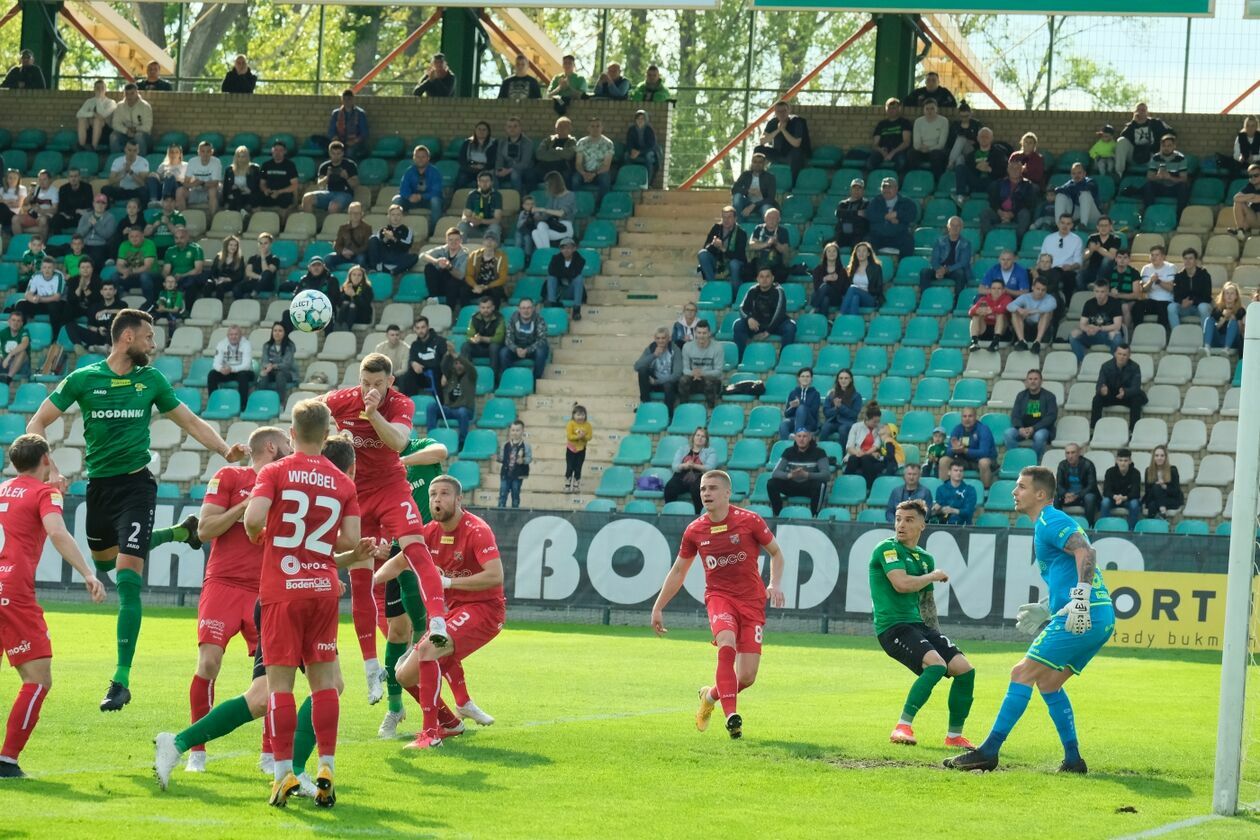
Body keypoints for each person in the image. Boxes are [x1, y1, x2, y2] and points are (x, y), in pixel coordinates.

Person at [26, 308, 243, 711]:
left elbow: (190, 421)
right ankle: (180, 533)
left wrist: (223, 449)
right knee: (104, 565)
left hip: (137, 487)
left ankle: (121, 678)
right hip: (100, 489)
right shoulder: (84, 379)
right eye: (148, 338)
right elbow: (37, 422)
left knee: (127, 576)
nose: (153, 345)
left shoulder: (151, 381)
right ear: (127, 338)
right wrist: (51, 467)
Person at [154, 435, 372, 795]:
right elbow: (280, 536)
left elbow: (310, 549)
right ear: (346, 467)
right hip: (280, 598)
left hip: (296, 596)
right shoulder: (301, 481)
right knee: (274, 692)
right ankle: (184, 746)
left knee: (301, 690)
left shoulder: (295, 482)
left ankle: (290, 769)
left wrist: (333, 568)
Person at [947, 466, 1113, 774]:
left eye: (1021, 487)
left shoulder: (1051, 520)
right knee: (1048, 683)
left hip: (1085, 613)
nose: (1014, 492)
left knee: (1021, 673)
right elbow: (1070, 566)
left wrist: (1080, 599)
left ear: (1040, 494)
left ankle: (989, 751)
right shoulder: (1046, 525)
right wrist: (1050, 606)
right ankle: (1073, 759)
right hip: (1099, 616)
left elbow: (1086, 553)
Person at [241, 400, 364, 807]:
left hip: (282, 588)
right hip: (324, 588)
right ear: (326, 435)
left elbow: (253, 518)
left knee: (280, 688)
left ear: (291, 435)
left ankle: (282, 774)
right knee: (324, 683)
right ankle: (327, 765)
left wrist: (263, 536)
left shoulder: (275, 471)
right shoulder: (343, 482)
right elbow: (349, 539)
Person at [319, 354, 450, 704]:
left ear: (390, 382)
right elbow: (309, 414)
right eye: (365, 383)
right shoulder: (341, 399)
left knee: (415, 548)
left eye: (377, 384)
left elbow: (399, 443)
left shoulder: (401, 404)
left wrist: (373, 412)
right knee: (360, 580)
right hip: (357, 495)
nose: (370, 389)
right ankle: (371, 669)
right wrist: (330, 430)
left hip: (391, 488)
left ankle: (437, 622)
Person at [178, 426, 291, 773]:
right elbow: (204, 530)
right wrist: (246, 505)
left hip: (266, 589)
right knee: (208, 663)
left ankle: (269, 755)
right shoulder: (229, 476)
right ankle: (197, 750)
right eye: (286, 445)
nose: (291, 450)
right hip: (223, 584)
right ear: (271, 447)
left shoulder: (288, 485)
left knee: (273, 676)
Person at [0, 434, 106, 778]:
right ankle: (7, 760)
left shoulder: (4, 489)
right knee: (38, 678)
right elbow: (58, 533)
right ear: (46, 459)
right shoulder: (46, 493)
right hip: (12, 590)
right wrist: (88, 573)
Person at [376, 474, 505, 750]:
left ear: (459, 499)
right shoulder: (428, 532)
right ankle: (450, 722)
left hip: (485, 610)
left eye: (444, 494)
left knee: (429, 649)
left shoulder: (477, 529)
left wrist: (448, 582)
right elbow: (398, 564)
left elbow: (495, 576)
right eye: (433, 494)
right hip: (454, 612)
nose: (437, 499)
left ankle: (430, 734)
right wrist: (369, 583)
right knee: (404, 676)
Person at [874, 498, 976, 749]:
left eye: (909, 520)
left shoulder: (924, 558)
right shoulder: (887, 550)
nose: (901, 525)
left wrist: (935, 638)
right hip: (892, 628)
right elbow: (902, 584)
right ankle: (902, 726)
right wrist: (931, 576)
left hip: (918, 625)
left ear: (922, 525)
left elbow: (927, 603)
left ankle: (954, 736)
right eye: (898, 519)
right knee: (936, 664)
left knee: (964, 669)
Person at [732, 268, 795, 360]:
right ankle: (741, 359)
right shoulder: (752, 290)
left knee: (790, 327)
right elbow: (742, 308)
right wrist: (749, 318)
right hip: (757, 325)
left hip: (776, 325)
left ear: (772, 278)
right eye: (761, 277)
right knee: (738, 324)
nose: (764, 279)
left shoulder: (778, 291)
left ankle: (783, 359)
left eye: (767, 276)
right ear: (757, 279)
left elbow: (779, 314)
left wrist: (768, 332)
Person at [767, 427, 830, 516]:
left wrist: (807, 475)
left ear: (810, 438)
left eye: (804, 436)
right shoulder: (788, 451)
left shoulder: (819, 452)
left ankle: (815, 515)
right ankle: (778, 514)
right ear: (795, 438)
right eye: (799, 436)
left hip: (809, 486)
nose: (801, 439)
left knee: (821, 484)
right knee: (771, 483)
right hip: (792, 485)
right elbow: (775, 473)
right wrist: (790, 475)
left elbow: (826, 475)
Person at [1003, 369, 1058, 460]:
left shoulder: (1049, 396)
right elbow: (1015, 415)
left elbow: (1051, 416)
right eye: (1030, 379)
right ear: (1026, 381)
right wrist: (1020, 428)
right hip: (1023, 428)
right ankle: (1016, 459)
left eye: (1035, 379)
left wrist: (1034, 428)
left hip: (1040, 429)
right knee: (1008, 433)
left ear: (1041, 381)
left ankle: (1032, 460)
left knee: (1040, 436)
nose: (1033, 381)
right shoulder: (1021, 395)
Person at [980, 158, 1036, 246]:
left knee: (1025, 214)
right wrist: (1000, 212)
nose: (1014, 170)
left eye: (1017, 168)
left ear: (1022, 169)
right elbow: (992, 200)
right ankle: (990, 241)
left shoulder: (1028, 185)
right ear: (1007, 170)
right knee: (985, 213)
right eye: (1012, 168)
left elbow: (1028, 203)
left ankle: (1017, 243)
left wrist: (1012, 213)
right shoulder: (998, 183)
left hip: (1017, 214)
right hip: (999, 213)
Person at [1089, 343, 1146, 430]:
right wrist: (1102, 390)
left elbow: (1136, 387)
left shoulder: (1135, 367)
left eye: (1124, 355)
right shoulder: (1106, 366)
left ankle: (1133, 430)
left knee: (1137, 399)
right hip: (1111, 394)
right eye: (1119, 354)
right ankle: (1093, 429)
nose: (1121, 357)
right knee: (1097, 399)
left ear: (1129, 355)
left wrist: (1126, 392)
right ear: (1115, 354)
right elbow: (1100, 384)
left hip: (1127, 396)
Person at [1068, 279, 1124, 364]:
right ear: (1094, 291)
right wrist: (1087, 329)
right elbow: (1082, 324)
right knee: (1074, 334)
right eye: (1097, 291)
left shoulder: (1115, 303)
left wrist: (1099, 328)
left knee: (1116, 336)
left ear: (1107, 291)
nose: (1099, 295)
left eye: (1102, 292)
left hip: (1107, 334)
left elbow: (1117, 325)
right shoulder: (1089, 303)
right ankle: (1081, 363)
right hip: (1092, 333)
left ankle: (1114, 364)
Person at [428, 349, 476, 446]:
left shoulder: (471, 375)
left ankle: (462, 442)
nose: (458, 366)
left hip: (465, 410)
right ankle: (431, 438)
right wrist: (448, 353)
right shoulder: (451, 375)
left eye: (460, 363)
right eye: (456, 363)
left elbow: (470, 366)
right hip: (449, 409)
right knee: (431, 407)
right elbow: (444, 365)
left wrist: (456, 355)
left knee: (462, 412)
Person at [753, 101, 811, 181]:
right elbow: (762, 141)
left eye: (784, 111)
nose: (781, 114)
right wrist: (778, 130)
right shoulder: (773, 122)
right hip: (779, 153)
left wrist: (783, 130)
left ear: (789, 111)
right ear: (775, 112)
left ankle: (793, 183)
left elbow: (796, 143)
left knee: (796, 152)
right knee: (758, 149)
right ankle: (756, 178)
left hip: (794, 155)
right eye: (778, 112)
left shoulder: (797, 121)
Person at [939, 406, 996, 488]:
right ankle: (945, 489)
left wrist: (965, 450)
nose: (967, 419)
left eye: (970, 416)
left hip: (983, 460)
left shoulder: (983, 429)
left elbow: (984, 452)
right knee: (944, 460)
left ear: (975, 417)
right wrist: (954, 450)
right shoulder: (957, 429)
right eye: (964, 416)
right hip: (964, 461)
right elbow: (948, 451)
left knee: (984, 462)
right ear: (961, 418)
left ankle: (985, 491)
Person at [918, 216, 973, 301]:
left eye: (957, 225)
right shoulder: (940, 241)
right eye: (952, 225)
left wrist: (946, 270)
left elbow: (963, 262)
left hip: (954, 270)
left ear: (961, 228)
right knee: (924, 272)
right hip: (940, 269)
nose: (955, 228)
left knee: (961, 274)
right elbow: (934, 259)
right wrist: (938, 269)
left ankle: (957, 301)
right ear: (948, 227)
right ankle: (925, 299)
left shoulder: (965, 243)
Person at [665, 428, 717, 514]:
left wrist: (694, 465)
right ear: (693, 437)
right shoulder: (682, 449)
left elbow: (710, 467)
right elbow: (674, 466)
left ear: (706, 440)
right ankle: (670, 513)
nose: (700, 438)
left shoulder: (711, 451)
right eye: (698, 435)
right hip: (682, 475)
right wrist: (684, 465)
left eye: (703, 436)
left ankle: (698, 515)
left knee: (697, 490)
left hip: (700, 475)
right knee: (670, 487)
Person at [394, 145, 443, 236]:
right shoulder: (409, 172)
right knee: (396, 200)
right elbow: (403, 189)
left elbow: (436, 191)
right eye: (418, 157)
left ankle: (433, 231)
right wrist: (409, 196)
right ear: (414, 158)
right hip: (411, 200)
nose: (420, 159)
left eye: (423, 157)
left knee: (436, 201)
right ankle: (395, 228)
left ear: (428, 158)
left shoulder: (435, 172)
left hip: (428, 201)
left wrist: (421, 196)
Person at [302, 141, 359, 214]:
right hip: (328, 192)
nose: (336, 156)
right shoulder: (324, 166)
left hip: (345, 193)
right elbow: (320, 185)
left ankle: (331, 225)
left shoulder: (350, 165)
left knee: (333, 206)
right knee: (307, 198)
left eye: (338, 154)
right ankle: (308, 224)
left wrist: (346, 177)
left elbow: (356, 184)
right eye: (333, 153)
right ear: (329, 153)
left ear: (343, 153)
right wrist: (327, 177)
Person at [698, 205, 748, 289]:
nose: (726, 220)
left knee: (734, 264)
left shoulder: (741, 233)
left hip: (734, 262)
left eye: (729, 217)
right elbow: (706, 247)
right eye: (724, 217)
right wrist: (713, 245)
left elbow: (740, 256)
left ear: (735, 218)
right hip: (718, 261)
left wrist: (722, 248)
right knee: (702, 254)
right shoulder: (716, 228)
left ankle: (734, 293)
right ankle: (712, 285)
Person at [676, 320, 723, 409]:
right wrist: (694, 373)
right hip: (693, 378)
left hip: (711, 381)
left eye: (704, 333)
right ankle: (683, 409)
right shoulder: (687, 347)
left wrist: (702, 373)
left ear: (709, 333)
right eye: (699, 333)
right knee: (683, 380)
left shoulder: (718, 347)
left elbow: (718, 371)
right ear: (695, 333)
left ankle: (711, 411)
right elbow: (685, 369)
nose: (701, 336)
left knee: (709, 382)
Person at [500, 297, 549, 381]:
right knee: (503, 352)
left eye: (529, 308)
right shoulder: (513, 319)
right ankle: (510, 379)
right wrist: (516, 349)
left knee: (541, 351)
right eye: (523, 308)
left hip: (533, 349)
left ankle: (535, 381)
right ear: (519, 309)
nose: (526, 311)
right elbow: (508, 339)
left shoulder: (539, 319)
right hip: (517, 348)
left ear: (533, 308)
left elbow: (542, 339)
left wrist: (527, 350)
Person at [865, 176, 915, 257]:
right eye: (884, 187)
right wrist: (886, 216)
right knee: (867, 242)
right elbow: (870, 215)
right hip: (878, 236)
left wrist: (897, 215)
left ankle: (902, 266)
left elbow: (911, 215)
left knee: (908, 241)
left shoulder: (906, 202)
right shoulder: (875, 201)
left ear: (896, 188)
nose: (887, 190)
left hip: (899, 235)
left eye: (890, 187)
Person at [421, 227, 470, 310]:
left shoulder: (465, 255)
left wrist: (449, 267)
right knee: (429, 267)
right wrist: (436, 261)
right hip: (441, 284)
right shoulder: (443, 249)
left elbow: (461, 276)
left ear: (461, 241)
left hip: (455, 286)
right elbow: (422, 255)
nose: (453, 242)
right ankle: (433, 298)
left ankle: (449, 310)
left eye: (456, 240)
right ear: (446, 240)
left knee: (453, 280)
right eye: (450, 240)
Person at [844, 402, 889, 491]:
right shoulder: (856, 427)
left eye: (878, 421)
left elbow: (877, 445)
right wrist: (857, 452)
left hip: (871, 455)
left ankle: (868, 488)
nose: (877, 424)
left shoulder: (880, 428)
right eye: (874, 421)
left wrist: (865, 453)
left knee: (866, 459)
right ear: (867, 419)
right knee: (853, 459)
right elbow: (849, 446)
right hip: (857, 453)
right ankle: (847, 486)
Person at [634, 326, 681, 409]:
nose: (661, 341)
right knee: (642, 370)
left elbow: (677, 374)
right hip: (654, 382)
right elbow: (637, 366)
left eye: (663, 338)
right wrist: (654, 355)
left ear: (669, 338)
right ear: (654, 339)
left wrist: (657, 381)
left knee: (668, 385)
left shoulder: (675, 349)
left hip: (669, 383)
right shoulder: (651, 348)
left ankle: (669, 414)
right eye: (658, 338)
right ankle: (645, 404)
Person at [1141, 134, 1189, 213]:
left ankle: (1180, 215)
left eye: (1169, 146)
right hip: (1160, 187)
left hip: (1174, 188)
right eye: (1164, 146)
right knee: (1148, 186)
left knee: (1183, 187)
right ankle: (1149, 213)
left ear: (1174, 146)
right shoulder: (1155, 158)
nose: (1166, 148)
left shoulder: (1181, 158)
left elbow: (1184, 179)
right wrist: (1158, 177)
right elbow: (1149, 177)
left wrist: (1169, 177)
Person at [1054, 443, 1100, 525]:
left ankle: (1089, 525)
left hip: (1082, 496)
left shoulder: (1088, 464)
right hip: (1068, 497)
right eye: (1067, 453)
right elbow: (1059, 485)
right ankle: (1059, 525)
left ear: (1079, 453)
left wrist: (1076, 496)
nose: (1070, 456)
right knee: (1054, 497)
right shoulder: (1062, 465)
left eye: (1073, 452)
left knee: (1089, 498)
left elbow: (1091, 486)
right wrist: (1065, 494)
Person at [531, 171, 577, 252]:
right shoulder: (553, 197)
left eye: (548, 185)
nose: (546, 187)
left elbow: (561, 213)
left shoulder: (570, 195)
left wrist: (543, 209)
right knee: (536, 231)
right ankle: (547, 252)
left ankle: (545, 254)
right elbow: (546, 216)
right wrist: (537, 215)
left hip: (565, 227)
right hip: (553, 226)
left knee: (539, 231)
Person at [207, 324, 254, 403]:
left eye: (236, 334)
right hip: (227, 371)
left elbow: (246, 365)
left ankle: (243, 406)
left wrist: (232, 369)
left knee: (243, 375)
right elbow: (216, 363)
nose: (233, 337)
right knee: (212, 374)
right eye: (231, 334)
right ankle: (213, 403)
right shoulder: (221, 344)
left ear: (240, 335)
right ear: (227, 336)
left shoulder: (246, 344)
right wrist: (221, 369)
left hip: (243, 372)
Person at [1008, 278, 1058, 353]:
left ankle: (1037, 343)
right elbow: (1009, 306)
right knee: (1015, 312)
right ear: (1032, 287)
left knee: (1047, 312)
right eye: (1038, 289)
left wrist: (1032, 312)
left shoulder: (1050, 298)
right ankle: (1022, 341)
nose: (1040, 292)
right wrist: (1019, 309)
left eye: (1043, 290)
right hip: (1027, 329)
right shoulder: (1025, 297)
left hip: (1043, 331)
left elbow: (1053, 305)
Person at [1039, 214, 1084, 297]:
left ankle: (1066, 304)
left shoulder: (1077, 240)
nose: (1064, 226)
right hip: (1049, 269)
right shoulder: (1049, 238)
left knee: (1069, 276)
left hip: (1066, 271)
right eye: (1062, 223)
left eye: (1068, 224)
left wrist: (1071, 267)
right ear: (1058, 223)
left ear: (1072, 225)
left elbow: (1078, 262)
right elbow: (1041, 258)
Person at [14, 257, 65, 328]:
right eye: (44, 267)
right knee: (20, 304)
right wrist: (34, 299)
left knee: (53, 306)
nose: (47, 270)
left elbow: (57, 297)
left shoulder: (59, 276)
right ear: (41, 268)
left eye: (49, 267)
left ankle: (55, 334)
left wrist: (40, 299)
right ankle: (21, 329)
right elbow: (27, 294)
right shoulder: (36, 275)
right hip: (40, 303)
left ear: (54, 268)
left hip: (55, 304)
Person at [1135, 245, 1176, 333]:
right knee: (1138, 306)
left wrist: (1158, 281)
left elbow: (1171, 288)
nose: (1154, 257)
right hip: (1151, 300)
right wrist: (1150, 281)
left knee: (1163, 309)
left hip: (1166, 301)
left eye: (1157, 255)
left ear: (1163, 256)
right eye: (1152, 255)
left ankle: (1161, 336)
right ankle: (1138, 332)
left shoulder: (1171, 267)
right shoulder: (1146, 268)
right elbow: (1144, 290)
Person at [368, 204, 418, 276]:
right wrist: (385, 239)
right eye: (393, 215)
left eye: (398, 215)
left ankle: (393, 272)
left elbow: (406, 246)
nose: (395, 217)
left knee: (414, 257)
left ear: (402, 216)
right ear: (388, 216)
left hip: (398, 256)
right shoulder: (383, 230)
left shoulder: (407, 230)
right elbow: (376, 247)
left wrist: (393, 238)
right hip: (385, 256)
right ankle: (374, 268)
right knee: (373, 238)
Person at [115, 225, 159, 304]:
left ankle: (149, 304)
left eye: (137, 236)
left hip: (151, 275)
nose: (134, 239)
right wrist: (124, 271)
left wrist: (129, 272)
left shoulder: (149, 244)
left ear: (142, 236)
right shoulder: (124, 245)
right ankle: (119, 303)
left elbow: (147, 267)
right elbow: (119, 264)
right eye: (131, 236)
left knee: (144, 276)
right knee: (114, 276)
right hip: (131, 275)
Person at [572, 118, 615, 200]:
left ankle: (600, 206)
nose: (595, 128)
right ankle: (577, 204)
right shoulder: (581, 142)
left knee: (605, 180)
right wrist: (584, 173)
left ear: (602, 128)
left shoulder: (608, 143)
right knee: (575, 180)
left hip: (600, 173)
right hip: (584, 172)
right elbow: (578, 163)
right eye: (592, 126)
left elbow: (606, 166)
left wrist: (594, 174)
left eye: (598, 126)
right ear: (588, 128)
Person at [464, 230, 508, 309]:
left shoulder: (501, 257)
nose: (489, 242)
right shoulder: (474, 255)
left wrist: (487, 286)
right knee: (463, 289)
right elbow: (468, 275)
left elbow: (502, 279)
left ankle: (495, 314)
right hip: (478, 284)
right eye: (487, 239)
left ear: (497, 244)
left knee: (496, 291)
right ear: (483, 242)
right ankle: (465, 311)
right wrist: (475, 286)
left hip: (492, 285)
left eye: (493, 240)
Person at [1169, 248, 1212, 329]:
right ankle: (1176, 334)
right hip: (1184, 307)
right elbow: (1176, 296)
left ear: (1196, 260)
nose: (1187, 261)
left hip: (1199, 307)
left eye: (1190, 258)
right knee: (1171, 307)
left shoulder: (1204, 275)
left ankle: (1205, 337)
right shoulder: (1179, 276)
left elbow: (1207, 296)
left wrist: (1192, 301)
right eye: (1185, 258)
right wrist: (1182, 301)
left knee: (1203, 307)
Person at [402, 315, 445, 397]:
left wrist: (445, 374)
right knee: (407, 375)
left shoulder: (440, 341)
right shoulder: (415, 345)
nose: (420, 331)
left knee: (435, 372)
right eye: (417, 328)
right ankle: (408, 405)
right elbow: (412, 359)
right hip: (422, 376)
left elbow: (447, 359)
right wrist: (413, 363)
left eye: (423, 327)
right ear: (414, 329)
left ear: (428, 327)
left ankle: (439, 406)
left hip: (437, 374)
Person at [967, 278, 1014, 352]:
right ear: (990, 290)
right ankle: (974, 342)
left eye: (999, 288)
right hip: (985, 329)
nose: (996, 291)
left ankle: (995, 342)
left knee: (1000, 314)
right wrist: (977, 311)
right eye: (994, 288)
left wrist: (991, 310)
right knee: (976, 316)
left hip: (1002, 331)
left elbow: (1003, 309)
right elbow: (970, 312)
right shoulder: (985, 300)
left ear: (1003, 290)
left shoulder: (1007, 298)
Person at [545, 236, 586, 320]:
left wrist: (561, 273)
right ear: (560, 250)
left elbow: (575, 274)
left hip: (570, 290)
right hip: (558, 290)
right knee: (551, 277)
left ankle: (576, 310)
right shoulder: (555, 258)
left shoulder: (580, 260)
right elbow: (551, 271)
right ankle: (552, 304)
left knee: (579, 278)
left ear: (574, 249)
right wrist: (568, 273)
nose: (566, 250)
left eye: (569, 248)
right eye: (563, 248)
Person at [747, 207, 791, 283]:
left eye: (774, 218)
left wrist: (776, 243)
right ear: (765, 218)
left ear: (779, 220)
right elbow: (751, 245)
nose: (771, 220)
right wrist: (767, 244)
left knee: (783, 273)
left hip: (775, 262)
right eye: (769, 217)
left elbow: (785, 250)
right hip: (759, 260)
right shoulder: (759, 228)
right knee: (745, 271)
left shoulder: (783, 231)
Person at [1100, 448, 1142, 528]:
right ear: (1116, 461)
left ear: (1130, 461)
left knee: (1134, 504)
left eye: (1125, 461)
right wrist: (1115, 497)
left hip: (1128, 500)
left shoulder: (1136, 473)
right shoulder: (1110, 472)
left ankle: (1131, 531)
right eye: (1120, 460)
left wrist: (1124, 498)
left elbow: (1136, 493)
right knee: (1105, 502)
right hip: (1113, 499)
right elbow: (1106, 491)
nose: (1123, 463)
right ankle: (1104, 528)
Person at [162, 225, 207, 301]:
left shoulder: (196, 249)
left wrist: (182, 275)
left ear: (187, 238)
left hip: (190, 277)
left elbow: (198, 270)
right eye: (176, 238)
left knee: (191, 282)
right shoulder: (170, 250)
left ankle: (188, 310)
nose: (179, 240)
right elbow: (166, 270)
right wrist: (169, 279)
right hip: (175, 279)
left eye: (181, 237)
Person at [464, 295, 505, 377]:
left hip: (494, 349)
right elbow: (468, 336)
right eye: (483, 307)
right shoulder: (474, 318)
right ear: (479, 308)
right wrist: (474, 339)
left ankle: (493, 377)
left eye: (488, 307)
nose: (485, 310)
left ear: (493, 307)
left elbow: (499, 338)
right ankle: (467, 376)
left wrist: (482, 339)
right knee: (465, 346)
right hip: (478, 347)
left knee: (494, 346)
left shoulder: (500, 318)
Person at [325, 201, 371, 271]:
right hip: (344, 255)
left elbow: (366, 246)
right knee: (328, 259)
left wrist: (353, 252)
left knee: (361, 259)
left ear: (362, 214)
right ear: (349, 214)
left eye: (357, 213)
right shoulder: (343, 228)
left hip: (358, 255)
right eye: (353, 213)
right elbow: (337, 245)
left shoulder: (367, 228)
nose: (355, 215)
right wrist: (342, 251)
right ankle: (335, 277)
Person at [868, 98, 912, 172]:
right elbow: (874, 144)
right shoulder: (881, 124)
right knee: (870, 163)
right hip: (883, 151)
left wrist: (892, 153)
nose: (891, 110)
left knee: (902, 163)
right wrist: (882, 152)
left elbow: (906, 142)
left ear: (899, 109)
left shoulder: (905, 123)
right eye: (889, 108)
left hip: (898, 151)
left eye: (894, 108)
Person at [103, 139, 150, 207]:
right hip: (122, 190)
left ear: (138, 151)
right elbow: (111, 181)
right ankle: (106, 210)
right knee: (105, 189)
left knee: (144, 191)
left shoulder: (143, 162)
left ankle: (143, 213)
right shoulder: (117, 161)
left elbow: (143, 183)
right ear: (125, 149)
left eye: (135, 150)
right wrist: (123, 172)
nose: (132, 153)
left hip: (136, 191)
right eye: (129, 150)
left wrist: (131, 172)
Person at [1204, 281, 1247, 356]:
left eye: (1232, 293)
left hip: (1233, 341)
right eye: (1227, 293)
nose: (1229, 296)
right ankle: (1207, 348)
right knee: (1209, 320)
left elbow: (1241, 332)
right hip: (1219, 339)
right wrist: (1223, 319)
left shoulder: (1240, 310)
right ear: (1223, 296)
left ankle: (1226, 349)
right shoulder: (1217, 310)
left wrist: (1235, 320)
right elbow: (1214, 328)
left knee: (1233, 322)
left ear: (1236, 296)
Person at [820, 369, 862, 445]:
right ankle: (821, 452)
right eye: (841, 378)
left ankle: (843, 454)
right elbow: (826, 412)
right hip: (833, 421)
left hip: (847, 422)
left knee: (843, 429)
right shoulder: (832, 394)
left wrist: (841, 406)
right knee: (825, 428)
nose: (843, 380)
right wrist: (835, 408)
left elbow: (854, 414)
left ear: (851, 380)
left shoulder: (856, 396)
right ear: (838, 380)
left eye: (846, 378)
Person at [459, 171, 504, 242]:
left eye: (487, 181)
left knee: (495, 227)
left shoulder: (497, 195)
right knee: (462, 225)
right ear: (478, 182)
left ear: (492, 182)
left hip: (490, 228)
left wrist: (481, 221)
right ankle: (461, 251)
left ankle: (493, 252)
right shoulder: (472, 195)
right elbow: (465, 216)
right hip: (475, 228)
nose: (484, 183)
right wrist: (472, 220)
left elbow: (497, 219)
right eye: (482, 181)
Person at [909, 100, 950, 177]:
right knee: (911, 154)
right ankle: (916, 178)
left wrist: (929, 148)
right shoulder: (918, 122)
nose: (929, 111)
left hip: (936, 150)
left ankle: (937, 180)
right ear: (923, 110)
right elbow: (916, 143)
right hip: (921, 149)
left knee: (936, 155)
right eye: (927, 109)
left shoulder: (943, 121)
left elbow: (941, 144)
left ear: (936, 109)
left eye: (932, 108)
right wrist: (921, 148)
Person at [258, 321, 298, 401]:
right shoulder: (267, 345)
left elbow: (286, 364)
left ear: (285, 333)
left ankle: (280, 403)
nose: (277, 333)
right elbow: (264, 361)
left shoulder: (290, 346)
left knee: (280, 375)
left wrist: (272, 366)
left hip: (287, 373)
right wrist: (266, 368)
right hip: (271, 371)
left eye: (280, 331)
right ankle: (262, 401)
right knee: (263, 376)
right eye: (275, 331)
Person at [1053, 163, 1100, 229]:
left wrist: (1070, 189)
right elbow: (1058, 190)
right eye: (1074, 173)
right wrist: (1069, 189)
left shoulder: (1091, 181)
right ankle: (1058, 225)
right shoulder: (1070, 183)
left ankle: (1083, 225)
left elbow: (1084, 188)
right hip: (1077, 212)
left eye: (1079, 173)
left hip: (1092, 214)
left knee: (1084, 194)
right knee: (1060, 196)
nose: (1076, 175)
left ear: (1084, 173)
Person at [730, 152, 776, 220]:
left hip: (763, 203)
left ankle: (766, 230)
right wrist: (748, 191)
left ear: (764, 164)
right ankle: (738, 226)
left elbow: (771, 198)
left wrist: (754, 205)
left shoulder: (770, 177)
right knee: (737, 197)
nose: (757, 164)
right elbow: (734, 189)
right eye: (755, 162)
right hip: (747, 202)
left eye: (760, 162)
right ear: (752, 163)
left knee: (767, 210)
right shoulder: (745, 175)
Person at [323, 90, 368, 159]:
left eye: (349, 99)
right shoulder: (336, 113)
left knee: (349, 151)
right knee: (332, 151)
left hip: (355, 142)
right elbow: (331, 131)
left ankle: (348, 169)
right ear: (342, 100)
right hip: (339, 141)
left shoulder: (360, 113)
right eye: (345, 99)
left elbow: (364, 133)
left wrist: (354, 141)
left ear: (353, 99)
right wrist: (336, 140)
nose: (347, 101)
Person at [494, 116, 534, 192]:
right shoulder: (502, 142)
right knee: (491, 174)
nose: (512, 129)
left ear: (520, 128)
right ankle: (496, 198)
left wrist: (510, 170)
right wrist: (499, 170)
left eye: (515, 126)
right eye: (509, 126)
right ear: (506, 128)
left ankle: (518, 200)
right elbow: (499, 159)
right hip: (506, 169)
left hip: (523, 171)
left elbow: (525, 163)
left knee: (514, 174)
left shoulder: (528, 143)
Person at [109, 84, 152, 154]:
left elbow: (147, 127)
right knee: (113, 136)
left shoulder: (145, 106)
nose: (129, 96)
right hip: (125, 134)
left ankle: (141, 161)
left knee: (139, 136)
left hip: (143, 136)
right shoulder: (119, 106)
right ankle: (116, 160)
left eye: (132, 93)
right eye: (127, 94)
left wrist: (135, 129)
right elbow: (115, 124)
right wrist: (126, 130)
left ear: (137, 93)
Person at [1142, 445, 1183, 520]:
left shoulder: (1173, 470)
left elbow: (1176, 491)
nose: (1159, 458)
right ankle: (1162, 512)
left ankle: (1151, 527)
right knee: (1155, 491)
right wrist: (1157, 488)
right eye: (1156, 456)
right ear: (1153, 458)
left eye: (1162, 456)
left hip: (1170, 499)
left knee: (1153, 504)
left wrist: (1164, 486)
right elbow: (1147, 492)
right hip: (1153, 498)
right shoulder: (1148, 471)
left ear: (1165, 457)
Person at [1079, 215, 1120, 290]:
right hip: (1092, 267)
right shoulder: (1092, 238)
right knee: (1080, 275)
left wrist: (1098, 249)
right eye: (1101, 225)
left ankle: (1097, 283)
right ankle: (1083, 294)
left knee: (1106, 260)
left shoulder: (1115, 239)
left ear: (1110, 227)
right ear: (1097, 227)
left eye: (1106, 225)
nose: (1103, 228)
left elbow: (1111, 256)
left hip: (1108, 269)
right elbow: (1084, 256)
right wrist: (1091, 251)